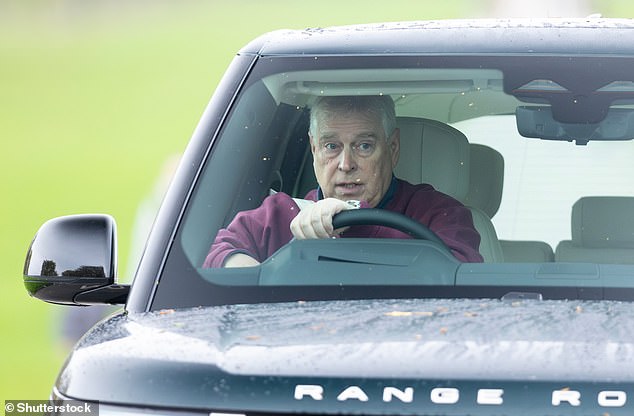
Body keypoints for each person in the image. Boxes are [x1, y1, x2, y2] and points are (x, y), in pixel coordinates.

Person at [204, 95, 483, 268]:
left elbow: (460, 277)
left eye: (363, 146)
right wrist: (261, 277)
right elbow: (208, 253)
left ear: (393, 148)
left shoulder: (439, 214)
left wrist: (355, 216)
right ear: (314, 149)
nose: (346, 164)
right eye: (331, 146)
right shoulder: (279, 213)